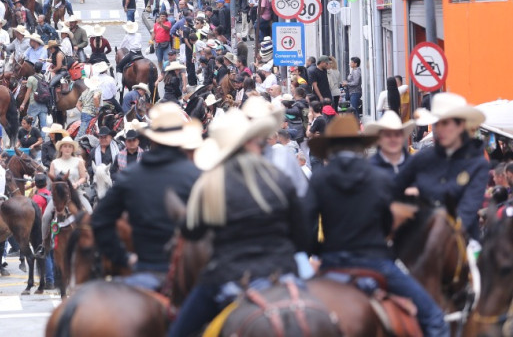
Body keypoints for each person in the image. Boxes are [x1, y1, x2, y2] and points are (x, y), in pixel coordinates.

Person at [305, 114, 448, 337]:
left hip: (333, 262)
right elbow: (387, 223)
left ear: (329, 149)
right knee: (435, 318)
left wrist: (319, 250)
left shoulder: (319, 179)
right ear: (360, 147)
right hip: (374, 262)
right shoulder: (379, 178)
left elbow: (307, 225)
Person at [169, 107, 307, 337]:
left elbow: (191, 232)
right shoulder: (278, 178)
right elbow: (302, 237)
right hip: (282, 271)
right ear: (249, 143)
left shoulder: (210, 184)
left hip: (229, 276)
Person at [93, 105, 201, 289]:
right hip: (187, 274)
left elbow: (100, 220)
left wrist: (123, 258)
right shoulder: (195, 176)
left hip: (144, 267)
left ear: (152, 139)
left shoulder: (131, 176)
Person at [392, 92, 490, 242]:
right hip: (417, 235)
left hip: (461, 239)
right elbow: (393, 189)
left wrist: (446, 234)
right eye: (436, 123)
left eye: (445, 123)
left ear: (461, 126)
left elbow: (468, 208)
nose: (438, 129)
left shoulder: (477, 164)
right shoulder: (422, 157)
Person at [366, 111, 413, 176]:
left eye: (397, 135)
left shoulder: (414, 166)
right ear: (378, 139)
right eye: (387, 135)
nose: (393, 139)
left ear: (403, 138)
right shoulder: (369, 170)